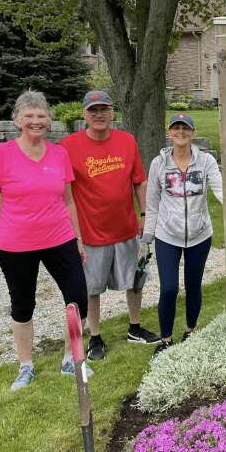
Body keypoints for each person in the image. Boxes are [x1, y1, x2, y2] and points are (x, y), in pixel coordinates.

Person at [0, 90, 90, 390]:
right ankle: (26, 366)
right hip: (15, 245)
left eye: (41, 116)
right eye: (29, 116)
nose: (36, 121)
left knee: (77, 296)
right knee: (23, 304)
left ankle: (72, 359)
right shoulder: (1, 154)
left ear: (49, 121)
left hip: (60, 238)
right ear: (17, 121)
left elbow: (68, 202)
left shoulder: (60, 154)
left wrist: (78, 238)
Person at [61, 90, 160, 360]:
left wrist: (145, 215)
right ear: (85, 114)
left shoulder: (126, 141)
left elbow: (139, 180)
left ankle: (135, 327)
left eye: (104, 108)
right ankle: (95, 337)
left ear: (112, 112)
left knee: (135, 280)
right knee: (92, 288)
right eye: (93, 110)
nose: (99, 114)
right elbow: (64, 191)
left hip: (126, 227)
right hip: (91, 232)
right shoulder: (69, 146)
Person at [141, 113, 223, 353]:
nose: (180, 132)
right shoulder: (159, 164)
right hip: (167, 236)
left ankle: (190, 331)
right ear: (169, 133)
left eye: (185, 128)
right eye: (175, 128)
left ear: (192, 133)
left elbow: (219, 188)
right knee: (168, 288)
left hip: (199, 235)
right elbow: (152, 203)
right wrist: (148, 236)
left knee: (193, 285)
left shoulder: (205, 161)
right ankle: (165, 340)